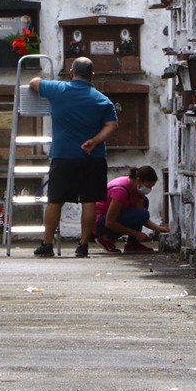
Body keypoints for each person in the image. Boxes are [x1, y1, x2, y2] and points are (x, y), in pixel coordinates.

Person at [29, 57, 119, 258]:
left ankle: (47, 244)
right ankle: (83, 245)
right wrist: (94, 141)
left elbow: (34, 82)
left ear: (71, 73)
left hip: (63, 156)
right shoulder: (102, 100)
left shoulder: (58, 90)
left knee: (55, 201)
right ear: (92, 75)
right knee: (89, 202)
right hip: (93, 157)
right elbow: (112, 125)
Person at [94, 166, 168, 255]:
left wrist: (158, 229)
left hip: (112, 218)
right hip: (100, 222)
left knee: (145, 202)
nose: (149, 189)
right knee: (143, 213)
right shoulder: (120, 190)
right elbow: (109, 222)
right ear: (139, 180)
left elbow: (140, 217)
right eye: (148, 186)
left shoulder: (136, 189)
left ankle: (133, 244)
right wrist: (136, 234)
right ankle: (105, 238)